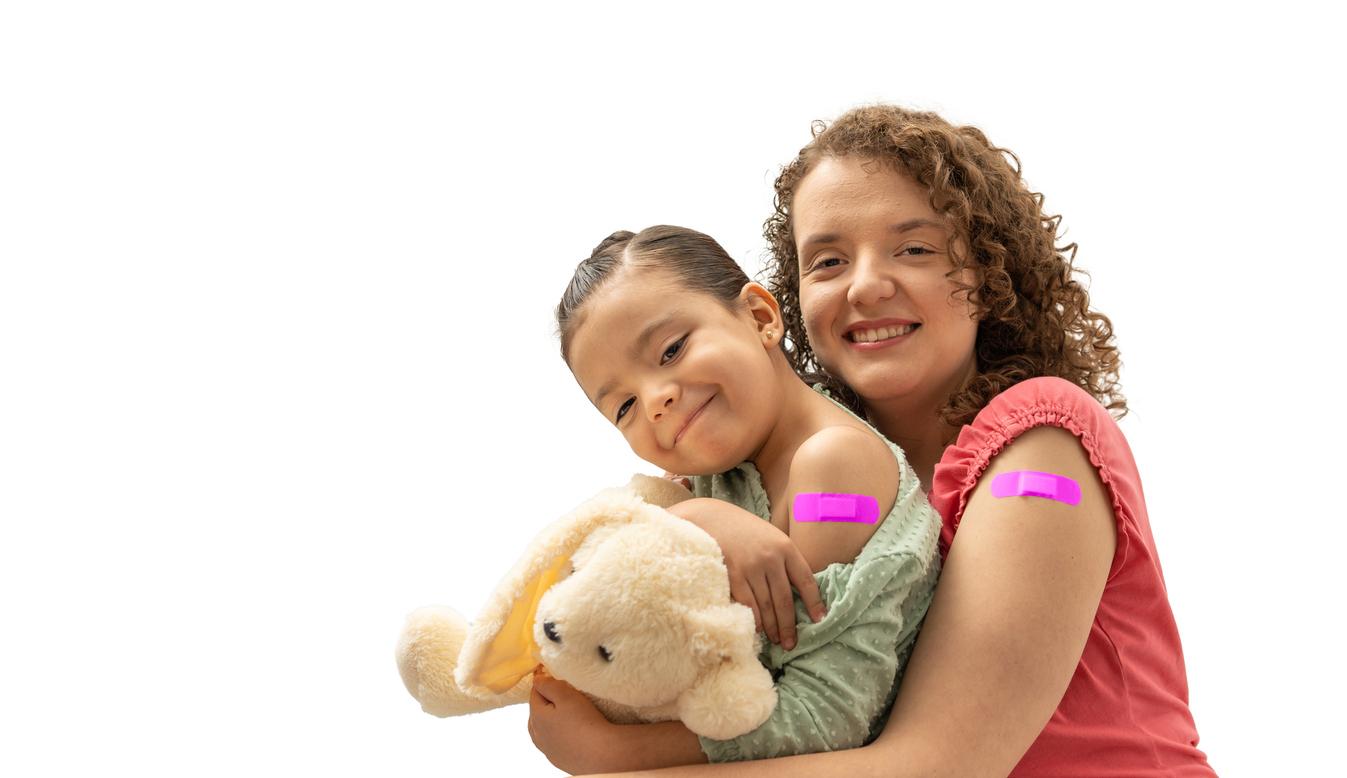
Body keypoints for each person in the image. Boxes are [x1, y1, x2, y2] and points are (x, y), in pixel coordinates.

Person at [527, 105, 1218, 777]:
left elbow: (939, 763)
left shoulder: (1041, 448)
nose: (864, 286)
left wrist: (610, 759)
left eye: (913, 249)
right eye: (827, 262)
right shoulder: (772, 474)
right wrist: (695, 519)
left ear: (987, 268)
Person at [549, 225, 945, 763]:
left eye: (671, 350)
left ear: (760, 318)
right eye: (624, 407)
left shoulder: (833, 465)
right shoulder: (718, 476)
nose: (655, 399)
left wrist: (610, 752)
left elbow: (826, 715)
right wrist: (694, 514)